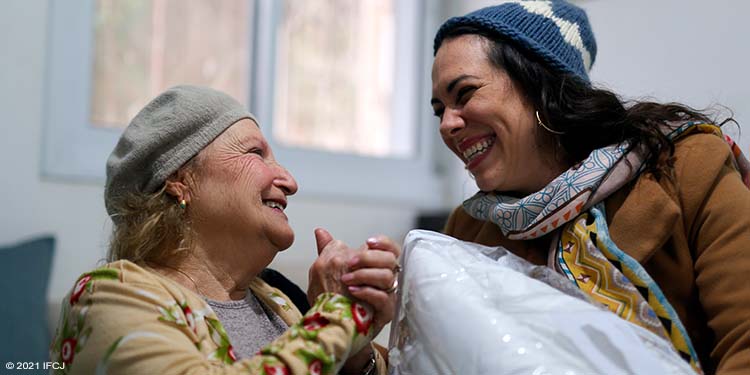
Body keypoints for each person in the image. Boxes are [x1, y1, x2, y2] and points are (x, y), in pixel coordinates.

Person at [430, 1, 750, 374]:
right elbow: (435, 361)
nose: (446, 125)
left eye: (464, 94)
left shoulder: (686, 167)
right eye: (439, 110)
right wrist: (362, 350)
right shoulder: (468, 231)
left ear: (538, 85)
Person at [49, 85, 400, 374]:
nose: (290, 181)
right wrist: (339, 314)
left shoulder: (279, 299)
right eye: (255, 153)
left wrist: (357, 354)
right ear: (179, 180)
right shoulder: (106, 298)